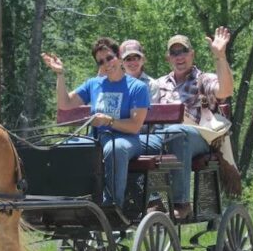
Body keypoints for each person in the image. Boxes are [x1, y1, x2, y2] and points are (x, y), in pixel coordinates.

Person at [41, 37, 149, 207]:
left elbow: (135, 125)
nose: (107, 64)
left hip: (127, 140)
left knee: (115, 148)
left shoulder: (137, 87)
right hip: (97, 137)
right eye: (101, 61)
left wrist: (110, 121)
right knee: (65, 147)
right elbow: (65, 104)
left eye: (109, 58)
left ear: (119, 56)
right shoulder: (94, 84)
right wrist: (60, 74)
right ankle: (70, 201)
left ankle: (112, 205)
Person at [142, 27, 235, 220]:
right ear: (168, 58)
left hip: (197, 138)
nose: (179, 57)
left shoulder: (203, 79)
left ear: (191, 54)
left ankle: (181, 203)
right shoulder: (158, 85)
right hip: (163, 138)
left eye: (183, 51)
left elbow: (225, 90)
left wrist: (220, 57)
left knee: (178, 132)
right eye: (174, 53)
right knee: (130, 143)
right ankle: (151, 200)